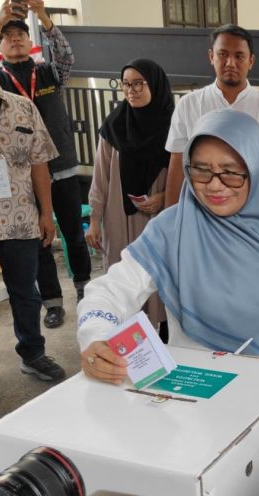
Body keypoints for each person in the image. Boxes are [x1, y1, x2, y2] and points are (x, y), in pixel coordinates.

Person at [78, 109, 259, 386]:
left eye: (230, 172)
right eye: (201, 170)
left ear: (257, 168)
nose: (215, 185)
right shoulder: (171, 229)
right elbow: (112, 290)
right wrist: (96, 336)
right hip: (200, 384)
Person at [0, 0, 92, 329]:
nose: (16, 37)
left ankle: (85, 289)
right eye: (9, 35)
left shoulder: (48, 72)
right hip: (20, 176)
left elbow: (67, 57)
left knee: (73, 233)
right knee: (40, 242)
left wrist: (43, 16)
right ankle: (52, 302)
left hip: (59, 165)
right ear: (0, 45)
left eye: (21, 32)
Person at [0, 40, 66, 405]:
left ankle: (33, 354)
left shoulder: (23, 107)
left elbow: (40, 163)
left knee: (26, 292)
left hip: (20, 220)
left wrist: (45, 213)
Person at [164, 24, 259, 207]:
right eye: (223, 54)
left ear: (251, 61)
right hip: (200, 209)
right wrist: (171, 222)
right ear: (211, 56)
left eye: (239, 56)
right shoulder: (189, 104)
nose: (230, 63)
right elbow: (177, 165)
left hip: (253, 211)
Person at [85, 58, 172, 329]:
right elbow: (101, 178)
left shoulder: (176, 125)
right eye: (126, 84)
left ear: (154, 85)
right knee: (123, 284)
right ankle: (132, 347)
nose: (131, 90)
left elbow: (190, 175)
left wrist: (165, 197)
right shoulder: (114, 126)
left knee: (160, 280)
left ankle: (167, 344)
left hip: (161, 218)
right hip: (119, 218)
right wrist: (94, 220)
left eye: (138, 83)